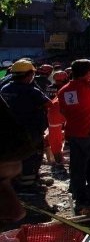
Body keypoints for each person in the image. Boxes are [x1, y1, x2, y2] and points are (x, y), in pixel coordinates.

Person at [58, 59, 90, 211]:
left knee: (77, 166)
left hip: (73, 133)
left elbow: (63, 111)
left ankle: (79, 195)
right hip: (89, 133)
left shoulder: (63, 90)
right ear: (88, 72)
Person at [0, 59, 51, 188]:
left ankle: (16, 181)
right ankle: (28, 184)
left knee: (15, 154)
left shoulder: (5, 88)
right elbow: (48, 105)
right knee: (32, 156)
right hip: (31, 130)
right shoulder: (32, 91)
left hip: (10, 130)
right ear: (29, 75)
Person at [46, 70, 70, 166]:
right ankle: (58, 157)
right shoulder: (65, 88)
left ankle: (54, 155)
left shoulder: (49, 88)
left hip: (51, 113)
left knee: (54, 134)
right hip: (60, 112)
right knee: (58, 135)